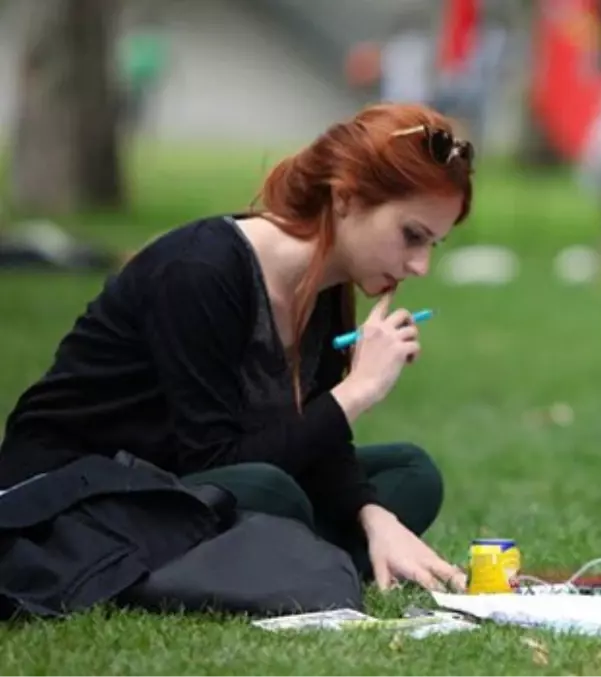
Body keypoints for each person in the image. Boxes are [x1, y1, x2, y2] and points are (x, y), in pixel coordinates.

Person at [0, 103, 476, 594]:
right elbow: (214, 459)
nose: (419, 266)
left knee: (410, 473)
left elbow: (312, 440)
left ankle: (304, 557)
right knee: (271, 491)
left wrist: (374, 516)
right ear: (346, 199)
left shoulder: (328, 284)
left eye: (431, 245)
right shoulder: (201, 270)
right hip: (77, 492)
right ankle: (302, 558)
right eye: (411, 236)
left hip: (201, 483)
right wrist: (357, 391)